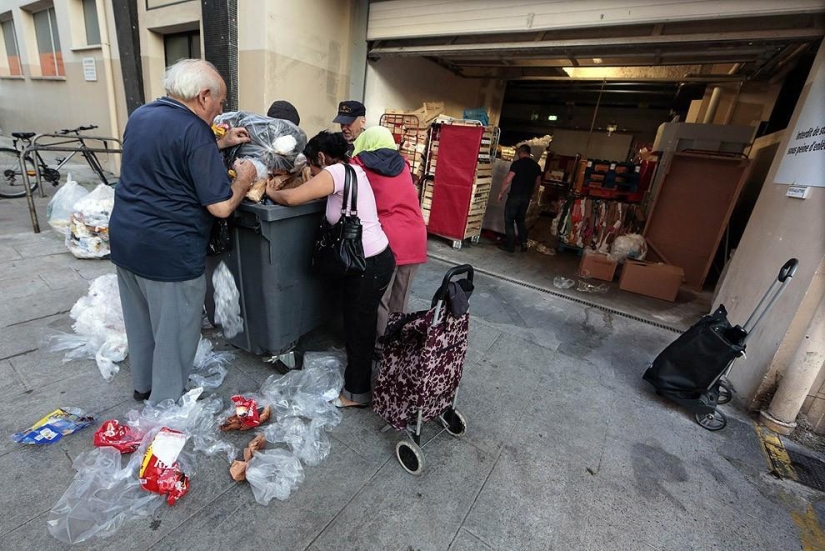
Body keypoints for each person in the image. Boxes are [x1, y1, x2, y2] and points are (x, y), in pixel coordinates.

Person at [109, 59, 257, 404]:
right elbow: (220, 207)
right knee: (174, 332)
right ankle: (165, 405)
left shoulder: (142, 115)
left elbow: (168, 154)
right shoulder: (196, 131)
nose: (220, 109)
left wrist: (217, 144)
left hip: (126, 238)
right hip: (169, 250)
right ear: (203, 96)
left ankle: (144, 386)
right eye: (220, 101)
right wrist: (244, 180)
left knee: (141, 323)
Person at [266, 131, 395, 408]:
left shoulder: (334, 172)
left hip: (367, 264)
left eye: (312, 165)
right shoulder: (352, 170)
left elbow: (292, 199)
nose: (312, 171)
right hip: (375, 259)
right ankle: (363, 379)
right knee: (361, 324)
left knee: (359, 328)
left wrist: (270, 191)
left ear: (322, 157)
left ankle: (356, 394)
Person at [351, 126, 427, 345]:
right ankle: (395, 345)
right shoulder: (403, 164)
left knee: (380, 296)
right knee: (400, 298)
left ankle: (379, 344)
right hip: (415, 234)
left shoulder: (359, 165)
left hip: (388, 237)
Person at [497, 144, 542, 253]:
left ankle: (510, 245)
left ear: (521, 152)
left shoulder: (517, 164)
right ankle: (523, 243)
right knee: (520, 220)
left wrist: (501, 192)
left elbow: (508, 179)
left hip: (514, 197)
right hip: (525, 198)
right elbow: (538, 183)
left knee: (509, 220)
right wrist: (532, 193)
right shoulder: (536, 166)